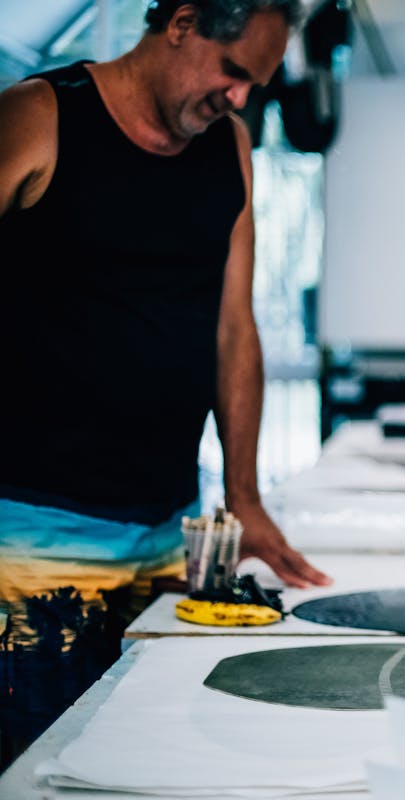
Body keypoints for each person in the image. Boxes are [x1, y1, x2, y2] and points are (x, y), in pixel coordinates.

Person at [0, 0, 331, 761]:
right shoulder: (40, 116)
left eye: (259, 82)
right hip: (32, 537)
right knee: (34, 763)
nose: (241, 97)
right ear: (180, 22)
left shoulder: (231, 146)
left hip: (166, 536)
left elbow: (234, 328)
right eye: (233, 70)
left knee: (136, 756)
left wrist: (243, 498)